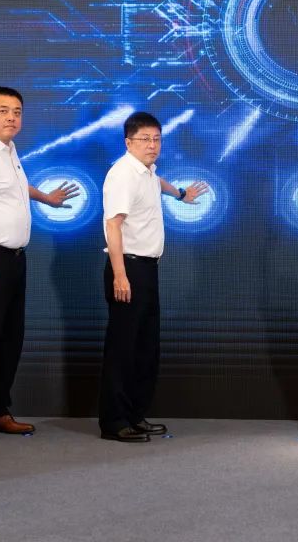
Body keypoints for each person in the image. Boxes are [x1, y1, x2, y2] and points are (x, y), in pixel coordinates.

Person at [0, 86, 78, 444]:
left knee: (9, 340)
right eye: (4, 110)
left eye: (17, 112)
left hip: (13, 260)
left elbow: (13, 188)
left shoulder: (8, 150)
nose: (11, 118)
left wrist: (45, 197)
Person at [99, 111, 208, 442]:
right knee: (122, 349)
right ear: (128, 142)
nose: (152, 145)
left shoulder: (146, 172)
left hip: (147, 269)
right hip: (128, 268)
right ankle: (114, 421)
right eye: (144, 139)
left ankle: (135, 415)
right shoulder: (122, 174)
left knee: (144, 348)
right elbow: (113, 225)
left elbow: (156, 183)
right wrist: (120, 275)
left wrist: (180, 194)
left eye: (157, 139)